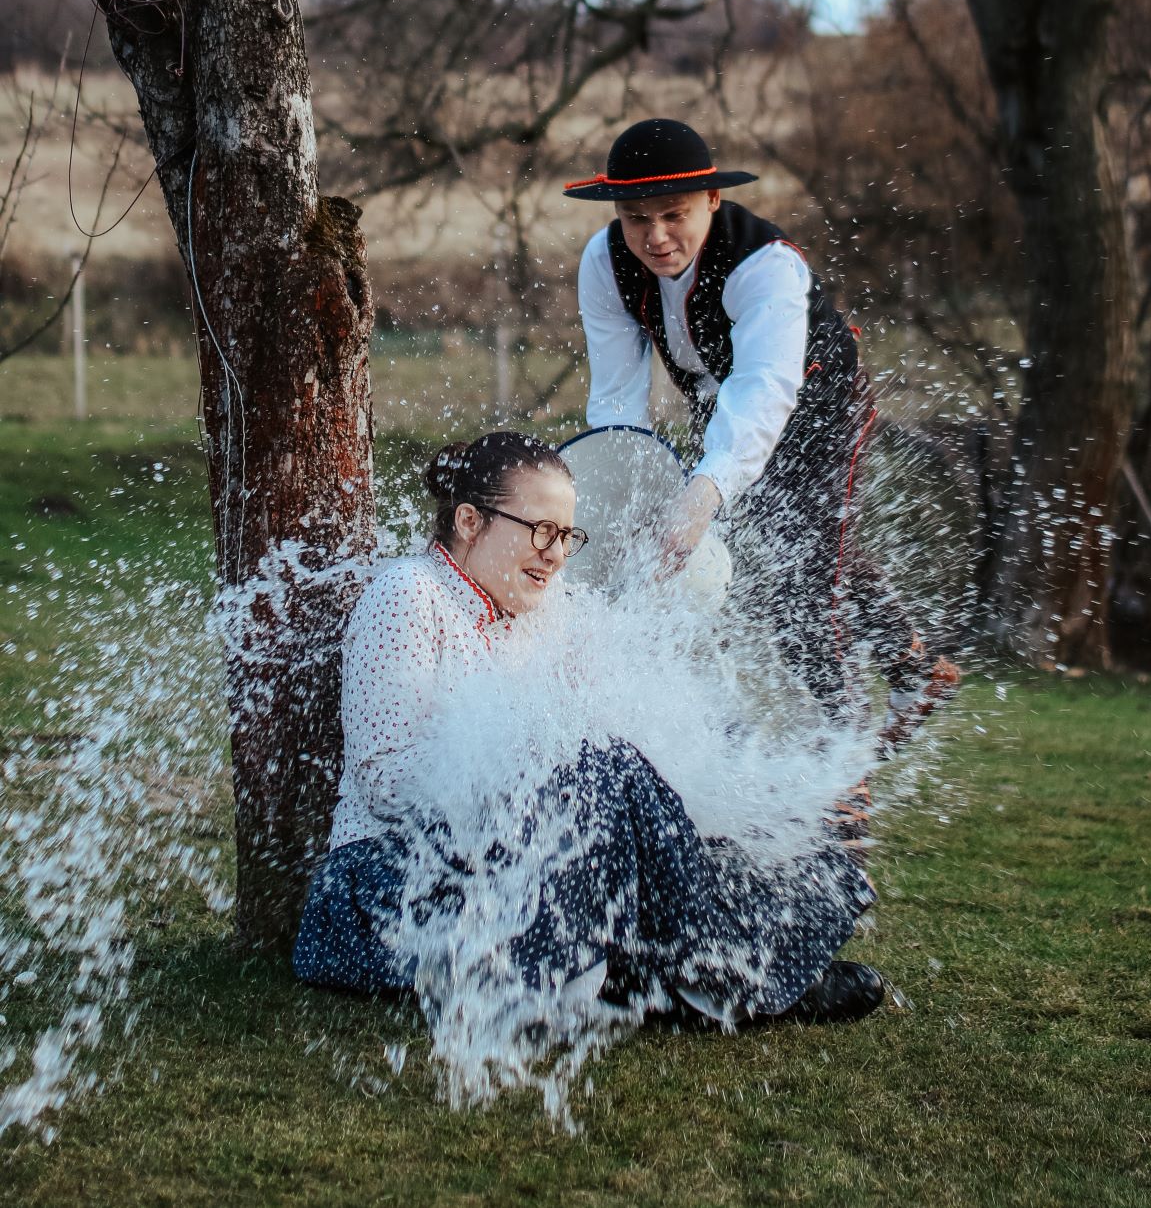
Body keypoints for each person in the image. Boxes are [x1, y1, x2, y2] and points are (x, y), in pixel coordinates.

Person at [293, 429, 883, 1026]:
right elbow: (385, 786)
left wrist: (763, 786)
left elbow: (641, 735)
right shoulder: (407, 595)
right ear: (470, 521)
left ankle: (711, 969)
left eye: (567, 537)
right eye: (541, 530)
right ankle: (723, 975)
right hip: (391, 888)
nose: (555, 554)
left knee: (638, 787)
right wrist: (524, 767)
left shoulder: (545, 613)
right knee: (604, 769)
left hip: (503, 880)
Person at [567, 117, 958, 741]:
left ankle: (842, 759)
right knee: (800, 548)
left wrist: (701, 496)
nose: (656, 236)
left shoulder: (764, 263)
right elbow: (617, 399)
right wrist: (623, 494)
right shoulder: (604, 261)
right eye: (636, 218)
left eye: (673, 215)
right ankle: (916, 671)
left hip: (819, 403)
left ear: (711, 199)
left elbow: (764, 391)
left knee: (794, 573)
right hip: (719, 404)